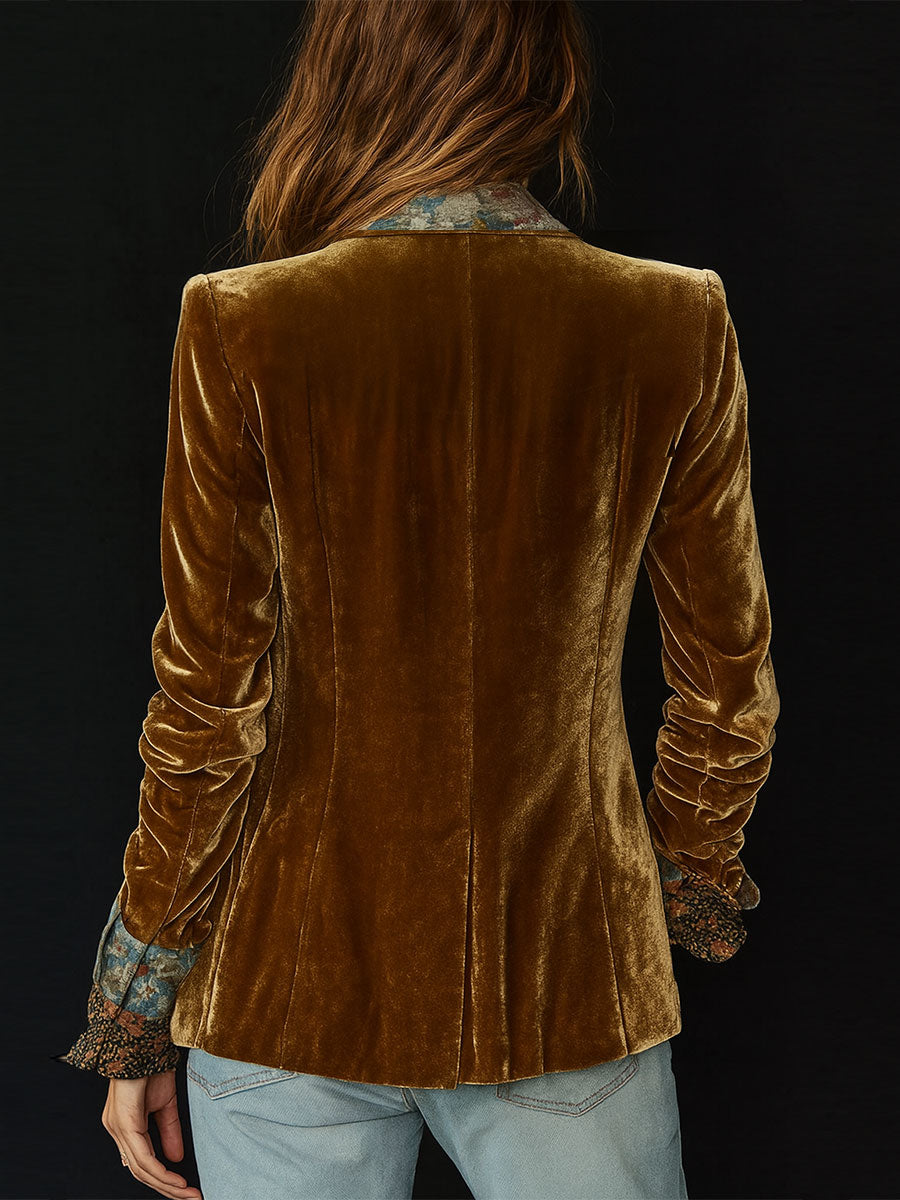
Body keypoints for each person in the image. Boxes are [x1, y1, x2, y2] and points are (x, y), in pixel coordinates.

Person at [52, 2, 780, 1198]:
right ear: (545, 80)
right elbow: (727, 683)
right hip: (564, 981)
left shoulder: (244, 322)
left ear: (346, 72)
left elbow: (206, 709)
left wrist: (136, 997)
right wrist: (681, 881)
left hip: (286, 993)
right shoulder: (670, 317)